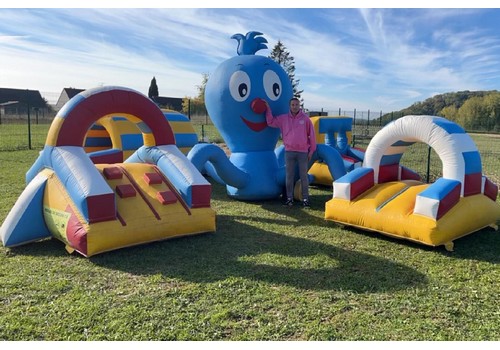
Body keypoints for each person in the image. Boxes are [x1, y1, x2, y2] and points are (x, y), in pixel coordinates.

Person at [264, 97, 316, 208]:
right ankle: (289, 199)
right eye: (292, 104)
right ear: (290, 106)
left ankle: (306, 199)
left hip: (303, 152)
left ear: (299, 106)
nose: (294, 106)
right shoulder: (283, 119)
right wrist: (268, 109)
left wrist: (311, 150)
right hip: (289, 152)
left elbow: (312, 135)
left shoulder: (306, 119)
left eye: (296, 104)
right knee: (289, 176)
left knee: (304, 176)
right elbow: (270, 122)